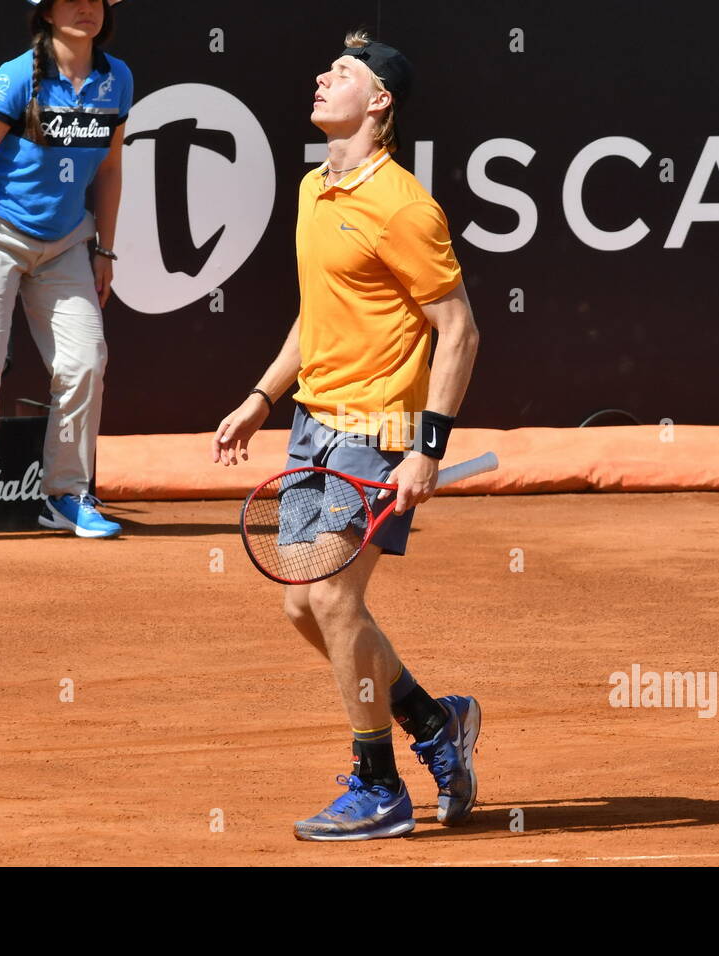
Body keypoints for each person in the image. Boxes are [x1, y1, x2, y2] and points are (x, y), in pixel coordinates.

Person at [212, 32, 482, 841]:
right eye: (328, 69)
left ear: (380, 101)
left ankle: (379, 784)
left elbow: (458, 329)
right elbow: (318, 314)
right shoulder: (313, 189)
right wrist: (263, 395)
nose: (324, 78)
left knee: (334, 597)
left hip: (381, 430)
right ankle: (434, 721)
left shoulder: (403, 206)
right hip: (311, 426)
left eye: (344, 73)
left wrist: (427, 448)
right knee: (304, 605)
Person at [0, 0, 132, 544]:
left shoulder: (118, 79)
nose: (87, 8)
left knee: (85, 363)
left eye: (97, 0)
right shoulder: (17, 76)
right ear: (46, 13)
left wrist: (106, 251)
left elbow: (111, 168)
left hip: (66, 243)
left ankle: (66, 496)